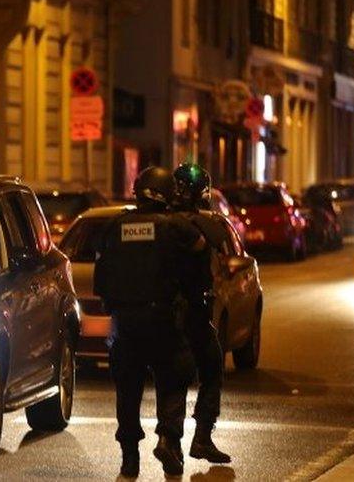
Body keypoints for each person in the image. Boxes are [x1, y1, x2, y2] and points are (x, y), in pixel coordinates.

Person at [94, 166, 205, 478]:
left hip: (125, 323)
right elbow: (199, 263)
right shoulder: (177, 227)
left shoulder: (115, 227)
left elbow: (100, 278)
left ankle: (129, 457)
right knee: (175, 378)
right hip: (163, 320)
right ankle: (169, 439)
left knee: (127, 391)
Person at [171, 163, 232, 464]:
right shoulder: (194, 225)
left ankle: (167, 442)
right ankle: (201, 437)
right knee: (210, 366)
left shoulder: (161, 221)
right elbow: (220, 239)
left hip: (157, 311)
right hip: (189, 310)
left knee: (170, 376)